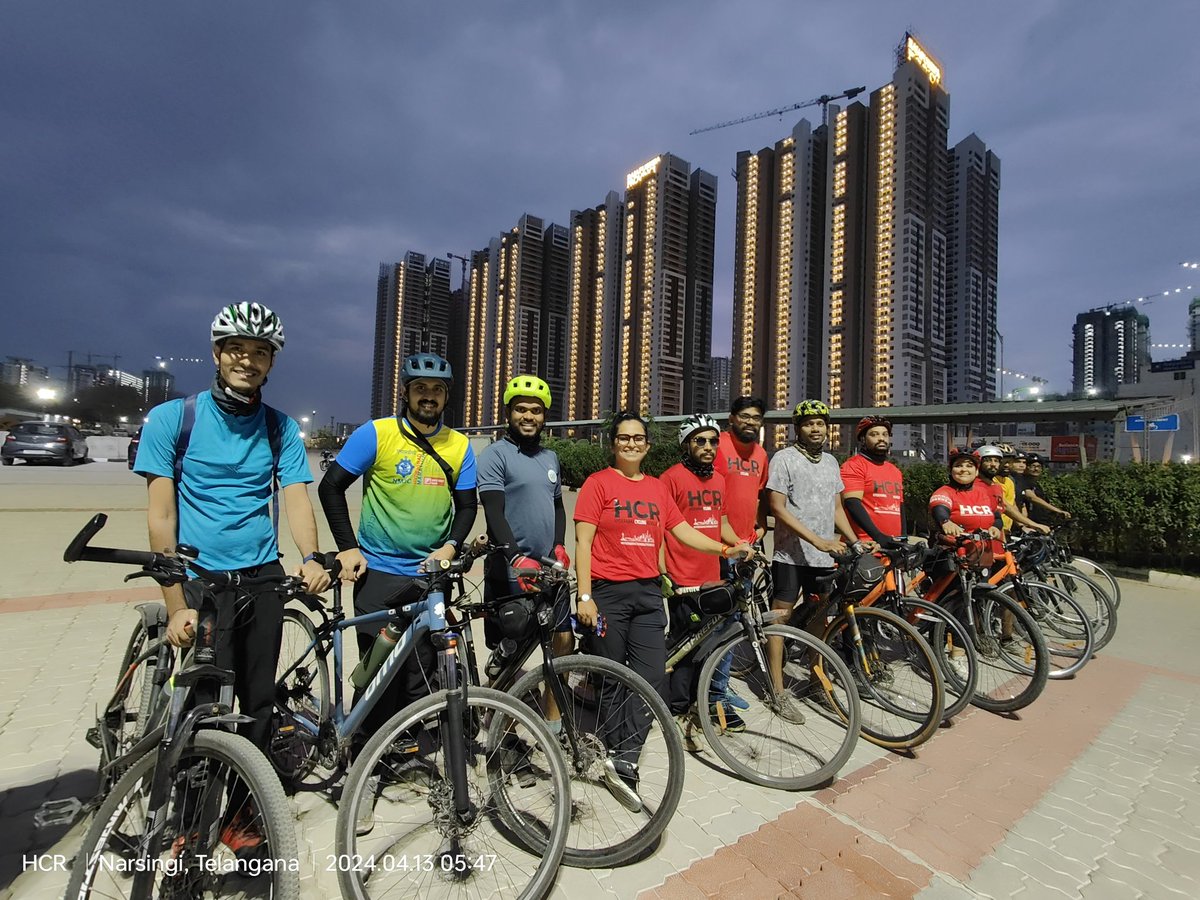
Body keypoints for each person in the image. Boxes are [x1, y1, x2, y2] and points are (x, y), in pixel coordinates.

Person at [134, 302, 332, 763]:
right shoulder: (172, 420)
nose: (247, 360)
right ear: (217, 353)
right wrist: (176, 603)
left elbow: (297, 497)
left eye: (260, 352)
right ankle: (189, 813)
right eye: (236, 349)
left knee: (259, 699)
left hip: (262, 575)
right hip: (202, 576)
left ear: (271, 362)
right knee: (204, 702)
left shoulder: (279, 427)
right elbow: (161, 515)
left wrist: (311, 557)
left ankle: (246, 812)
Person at [574, 412, 752, 804]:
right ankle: (613, 751)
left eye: (638, 438)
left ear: (648, 445)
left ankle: (625, 758)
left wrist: (726, 548)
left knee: (652, 677)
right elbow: (583, 543)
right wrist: (584, 596)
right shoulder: (598, 484)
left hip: (649, 595)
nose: (631, 444)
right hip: (608, 593)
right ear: (614, 443)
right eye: (624, 438)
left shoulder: (656, 489)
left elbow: (683, 531)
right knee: (613, 677)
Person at [317, 353, 478, 754]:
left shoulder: (459, 445)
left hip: (429, 576)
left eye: (437, 390)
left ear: (446, 397)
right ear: (405, 391)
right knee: (377, 672)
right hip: (380, 573)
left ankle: (401, 753)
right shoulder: (378, 433)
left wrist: (451, 544)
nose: (428, 397)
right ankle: (363, 763)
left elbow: (468, 505)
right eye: (420, 388)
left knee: (420, 674)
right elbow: (330, 486)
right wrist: (348, 548)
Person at [765, 399, 863, 724]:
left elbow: (837, 510)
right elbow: (777, 507)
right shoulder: (784, 458)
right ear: (798, 428)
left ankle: (815, 680)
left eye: (821, 423)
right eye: (809, 423)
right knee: (780, 620)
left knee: (819, 621)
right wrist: (817, 539)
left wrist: (855, 540)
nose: (816, 428)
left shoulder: (832, 463)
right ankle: (777, 691)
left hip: (824, 557)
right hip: (789, 555)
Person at [476, 374, 572, 686]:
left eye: (535, 410)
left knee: (562, 640)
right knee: (511, 649)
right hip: (509, 568)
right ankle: (502, 724)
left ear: (545, 416)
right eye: (520, 409)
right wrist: (516, 558)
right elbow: (493, 511)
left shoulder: (550, 457)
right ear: (508, 413)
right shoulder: (495, 454)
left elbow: (557, 507)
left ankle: (555, 722)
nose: (528, 416)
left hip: (547, 569)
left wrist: (558, 545)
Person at [658, 414, 745, 749]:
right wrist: (663, 569)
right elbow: (662, 528)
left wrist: (738, 546)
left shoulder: (720, 480)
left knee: (707, 646)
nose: (708, 447)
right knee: (684, 648)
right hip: (683, 579)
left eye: (712, 441)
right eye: (700, 441)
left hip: (712, 577)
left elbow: (719, 520)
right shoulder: (670, 479)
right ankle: (677, 711)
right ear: (686, 444)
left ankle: (700, 704)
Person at [840, 416, 906, 546]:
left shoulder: (895, 470)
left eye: (885, 434)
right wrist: (877, 536)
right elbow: (852, 503)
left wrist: (904, 537)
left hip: (893, 546)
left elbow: (900, 507)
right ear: (863, 439)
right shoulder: (854, 465)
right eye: (874, 435)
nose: (881, 438)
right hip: (866, 544)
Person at [714, 397, 769, 547]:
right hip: (715, 541)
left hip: (746, 542)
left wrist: (762, 527)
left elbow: (759, 495)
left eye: (756, 418)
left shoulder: (761, 454)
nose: (751, 422)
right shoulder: (715, 445)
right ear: (731, 419)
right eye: (745, 416)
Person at [928, 447, 1003, 541]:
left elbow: (997, 518)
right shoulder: (944, 492)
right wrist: (946, 522)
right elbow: (939, 509)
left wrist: (995, 527)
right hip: (953, 550)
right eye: (958, 466)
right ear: (950, 470)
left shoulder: (985, 493)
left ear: (976, 472)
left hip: (984, 551)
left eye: (969, 466)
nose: (964, 469)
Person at [976, 445, 1050, 536]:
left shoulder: (997, 485)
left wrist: (1023, 526)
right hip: (980, 534)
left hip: (1000, 532)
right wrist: (1032, 524)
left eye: (996, 461)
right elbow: (1006, 506)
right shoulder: (975, 484)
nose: (993, 464)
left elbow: (1011, 506)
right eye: (988, 460)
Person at [1023, 454, 1072, 525]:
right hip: (1030, 524)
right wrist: (1057, 511)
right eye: (1032, 466)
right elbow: (1032, 498)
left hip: (1041, 523)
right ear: (1027, 467)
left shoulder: (1037, 485)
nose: (1036, 469)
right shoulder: (1023, 482)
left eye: (1038, 467)